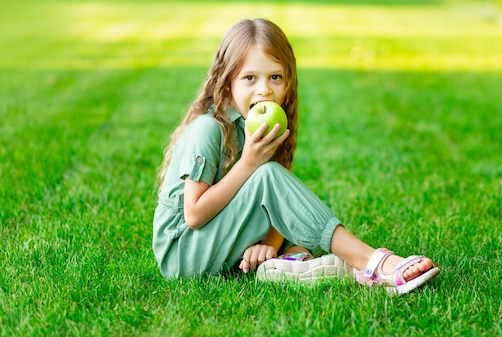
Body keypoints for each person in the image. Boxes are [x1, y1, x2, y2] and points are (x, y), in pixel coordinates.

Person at [152, 18, 440, 295]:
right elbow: (194, 214)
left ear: (288, 82)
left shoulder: (261, 123)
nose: (264, 89)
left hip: (217, 234)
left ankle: (287, 260)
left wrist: (268, 242)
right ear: (227, 82)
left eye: (274, 77)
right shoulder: (208, 129)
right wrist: (250, 162)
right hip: (183, 254)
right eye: (249, 78)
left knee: (287, 205)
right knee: (266, 175)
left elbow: (276, 199)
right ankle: (369, 262)